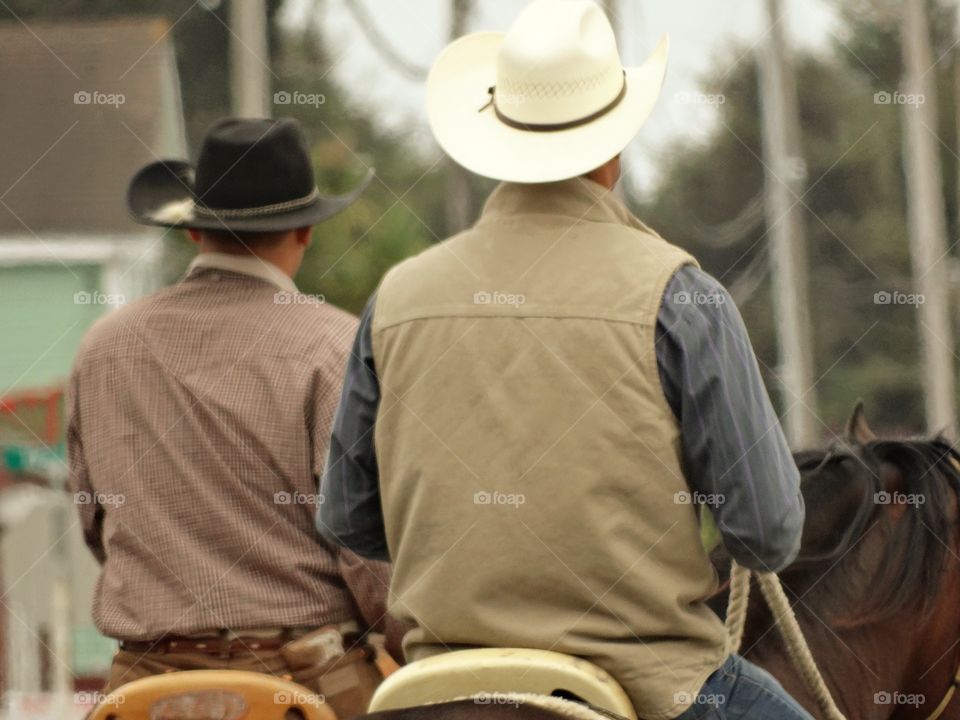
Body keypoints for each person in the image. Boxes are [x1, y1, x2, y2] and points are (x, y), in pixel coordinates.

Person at [319, 2, 811, 719]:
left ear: (497, 134)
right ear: (615, 147)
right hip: (652, 682)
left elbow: (348, 517)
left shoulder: (398, 296)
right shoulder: (680, 295)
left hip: (437, 680)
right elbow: (767, 533)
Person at [67, 117, 400, 718]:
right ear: (304, 230)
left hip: (144, 686)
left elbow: (96, 520)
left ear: (195, 234)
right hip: (305, 686)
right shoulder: (335, 346)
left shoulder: (105, 346)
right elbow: (367, 554)